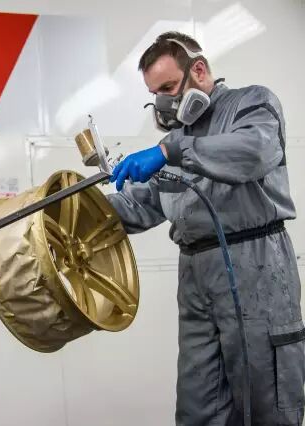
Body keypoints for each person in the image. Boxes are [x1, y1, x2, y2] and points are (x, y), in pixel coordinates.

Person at [107, 31, 304, 425]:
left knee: (265, 400)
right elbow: (140, 206)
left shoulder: (252, 104)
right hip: (196, 276)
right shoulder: (174, 141)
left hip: (256, 266)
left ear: (198, 71)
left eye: (168, 88)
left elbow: (255, 152)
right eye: (154, 94)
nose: (162, 102)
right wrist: (76, 209)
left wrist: (171, 151)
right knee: (199, 405)